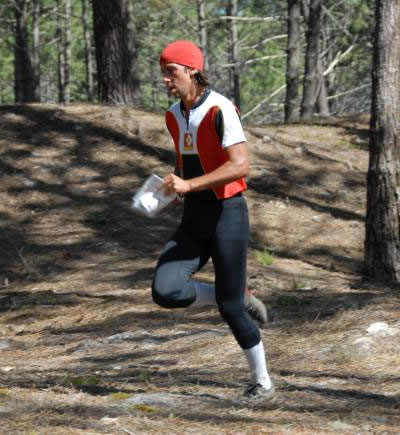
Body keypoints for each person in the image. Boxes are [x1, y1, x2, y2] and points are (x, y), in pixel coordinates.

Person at [151, 40, 274, 401]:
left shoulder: (221, 108)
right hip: (195, 217)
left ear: (192, 70)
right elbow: (186, 162)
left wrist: (190, 184)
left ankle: (262, 381)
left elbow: (240, 165)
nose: (166, 79)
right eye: (163, 73)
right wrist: (172, 183)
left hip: (227, 214)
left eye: (171, 72)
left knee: (230, 308)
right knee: (165, 291)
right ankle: (234, 294)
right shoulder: (173, 115)